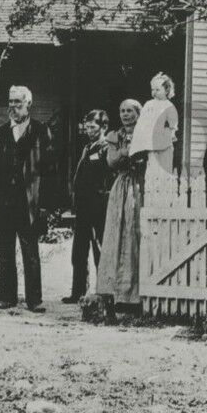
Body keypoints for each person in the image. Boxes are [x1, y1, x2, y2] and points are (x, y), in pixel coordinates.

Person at [0, 84, 52, 313]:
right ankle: (7, 296)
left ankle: (34, 299)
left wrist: (45, 205)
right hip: (5, 200)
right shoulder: (2, 132)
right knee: (5, 250)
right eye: (11, 102)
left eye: (18, 102)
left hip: (29, 201)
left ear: (28, 103)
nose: (13, 107)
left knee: (30, 251)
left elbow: (48, 170)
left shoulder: (40, 130)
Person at [94, 99, 145, 312]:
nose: (126, 115)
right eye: (122, 111)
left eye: (130, 111)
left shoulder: (145, 132)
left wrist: (128, 153)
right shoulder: (115, 136)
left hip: (140, 186)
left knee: (136, 235)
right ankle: (115, 293)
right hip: (122, 185)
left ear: (138, 113)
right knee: (117, 234)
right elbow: (112, 161)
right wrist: (126, 153)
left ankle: (136, 294)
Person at [64, 109, 112, 303]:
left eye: (93, 127)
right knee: (79, 251)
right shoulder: (87, 148)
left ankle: (104, 293)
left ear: (104, 127)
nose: (89, 130)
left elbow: (107, 176)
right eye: (87, 127)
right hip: (83, 206)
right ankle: (78, 292)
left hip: (98, 206)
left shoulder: (106, 147)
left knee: (99, 249)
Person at [131, 72, 180, 188]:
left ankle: (163, 191)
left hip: (164, 142)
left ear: (167, 90)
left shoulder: (169, 106)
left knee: (163, 169)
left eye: (157, 90)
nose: (154, 93)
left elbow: (173, 125)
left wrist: (169, 135)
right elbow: (141, 122)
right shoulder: (148, 104)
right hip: (149, 141)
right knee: (151, 168)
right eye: (152, 89)